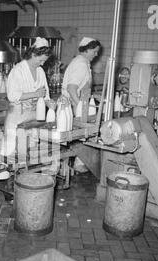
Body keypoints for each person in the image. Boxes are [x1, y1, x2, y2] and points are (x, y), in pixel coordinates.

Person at [0, 37, 56, 159]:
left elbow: (45, 95)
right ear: (33, 54)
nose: (42, 64)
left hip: (34, 117)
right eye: (41, 60)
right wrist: (35, 94)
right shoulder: (18, 70)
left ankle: (25, 174)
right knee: (12, 152)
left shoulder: (40, 71)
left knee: (29, 152)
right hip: (17, 116)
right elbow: (12, 96)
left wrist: (50, 104)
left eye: (44, 61)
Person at [61, 37, 101, 172]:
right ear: (88, 49)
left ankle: (78, 163)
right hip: (73, 107)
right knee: (81, 134)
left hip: (75, 105)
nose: (96, 55)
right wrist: (80, 107)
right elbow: (71, 88)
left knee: (81, 136)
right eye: (95, 51)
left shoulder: (81, 61)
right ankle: (77, 164)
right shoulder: (81, 64)